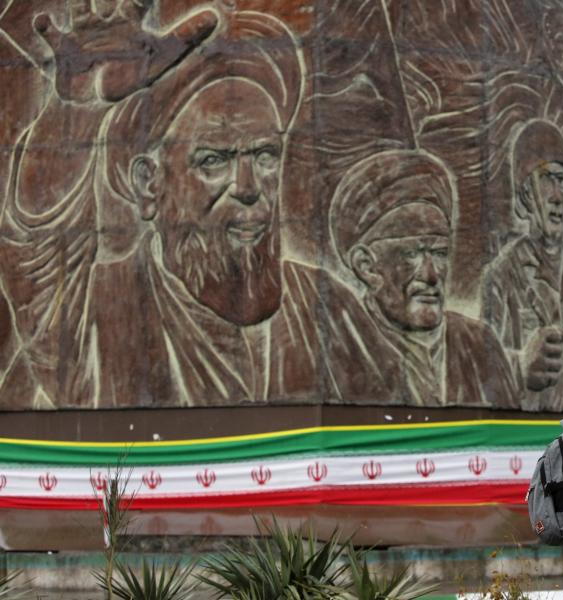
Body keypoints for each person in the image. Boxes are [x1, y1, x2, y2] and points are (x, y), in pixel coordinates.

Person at [0, 7, 391, 407]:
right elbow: (36, 253)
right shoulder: (96, 320)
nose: (248, 188)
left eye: (265, 155)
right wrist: (77, 110)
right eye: (213, 161)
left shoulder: (333, 310)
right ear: (149, 185)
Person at [329, 149, 519, 408]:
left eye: (440, 253)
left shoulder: (480, 346)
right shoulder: (341, 350)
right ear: (366, 267)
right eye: (411, 253)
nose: (431, 275)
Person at [483, 119, 563, 412]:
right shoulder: (502, 277)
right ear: (525, 194)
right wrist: (521, 367)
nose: (557, 196)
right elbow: (482, 371)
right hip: (520, 434)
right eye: (547, 179)